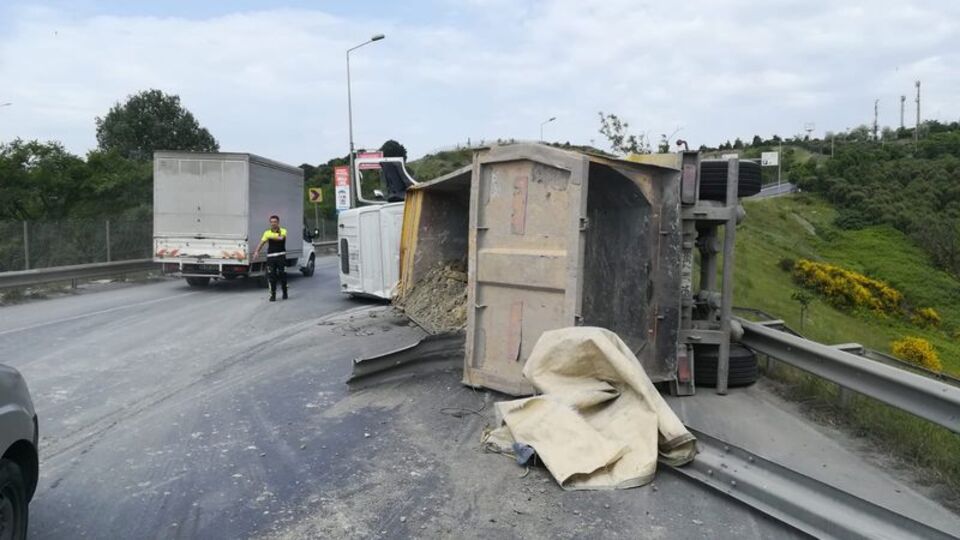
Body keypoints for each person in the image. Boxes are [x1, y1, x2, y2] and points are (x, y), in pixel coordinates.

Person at [253, 215, 288, 301]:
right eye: (271, 222)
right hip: (271, 257)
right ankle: (273, 295)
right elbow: (262, 242)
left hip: (281, 256)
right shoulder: (266, 232)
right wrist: (256, 251)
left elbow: (281, 238)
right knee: (272, 277)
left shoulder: (283, 231)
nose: (273, 224)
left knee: (283, 275)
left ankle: (285, 292)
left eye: (275, 222)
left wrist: (270, 236)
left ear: (278, 222)